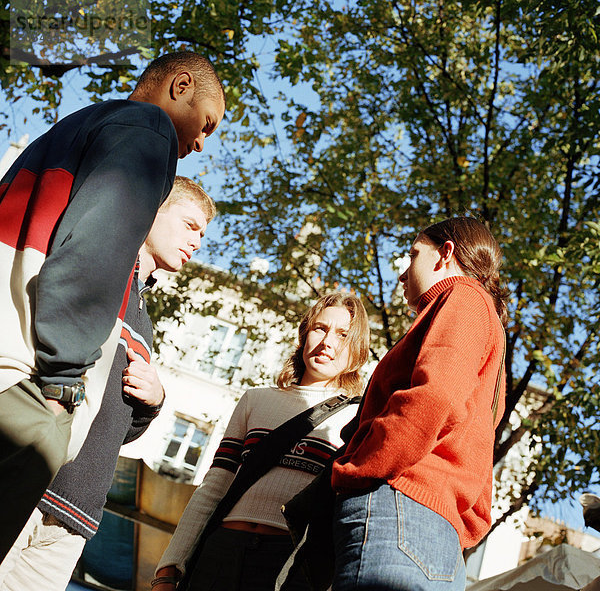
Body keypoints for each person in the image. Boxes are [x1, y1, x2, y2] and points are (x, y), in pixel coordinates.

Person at [0, 51, 226, 561]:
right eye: (206, 123)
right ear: (180, 85)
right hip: (27, 380)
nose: (200, 143)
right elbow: (91, 254)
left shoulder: (78, 127)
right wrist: (63, 380)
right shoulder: (148, 131)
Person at [0, 176, 216, 590]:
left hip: (75, 515)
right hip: (32, 480)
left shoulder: (144, 322)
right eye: (190, 225)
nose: (197, 243)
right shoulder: (98, 268)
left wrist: (154, 401)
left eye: (203, 234)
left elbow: (120, 429)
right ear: (154, 211)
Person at [331, 216, 508, 591]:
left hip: (399, 506)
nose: (402, 273)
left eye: (413, 255)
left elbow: (435, 395)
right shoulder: (487, 322)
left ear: (446, 254)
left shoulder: (464, 296)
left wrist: (359, 468)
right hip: (436, 530)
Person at [152, 292, 371, 591]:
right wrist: (169, 568)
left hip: (288, 566)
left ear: (357, 350)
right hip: (220, 552)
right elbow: (215, 484)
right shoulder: (255, 400)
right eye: (320, 328)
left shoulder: (359, 419)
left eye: (343, 334)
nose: (328, 342)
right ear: (304, 334)